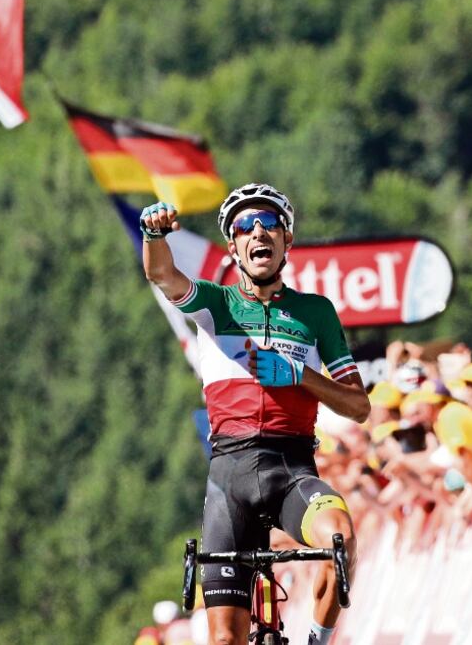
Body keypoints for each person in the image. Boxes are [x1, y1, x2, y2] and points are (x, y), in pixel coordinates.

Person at [139, 183, 370, 645]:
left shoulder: (315, 312)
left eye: (269, 223)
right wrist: (151, 233)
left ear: (287, 241)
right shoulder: (216, 303)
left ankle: (318, 641)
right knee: (226, 640)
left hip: (293, 472)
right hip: (231, 478)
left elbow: (358, 405)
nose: (257, 231)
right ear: (234, 246)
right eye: (245, 225)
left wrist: (297, 375)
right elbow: (162, 274)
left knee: (340, 538)